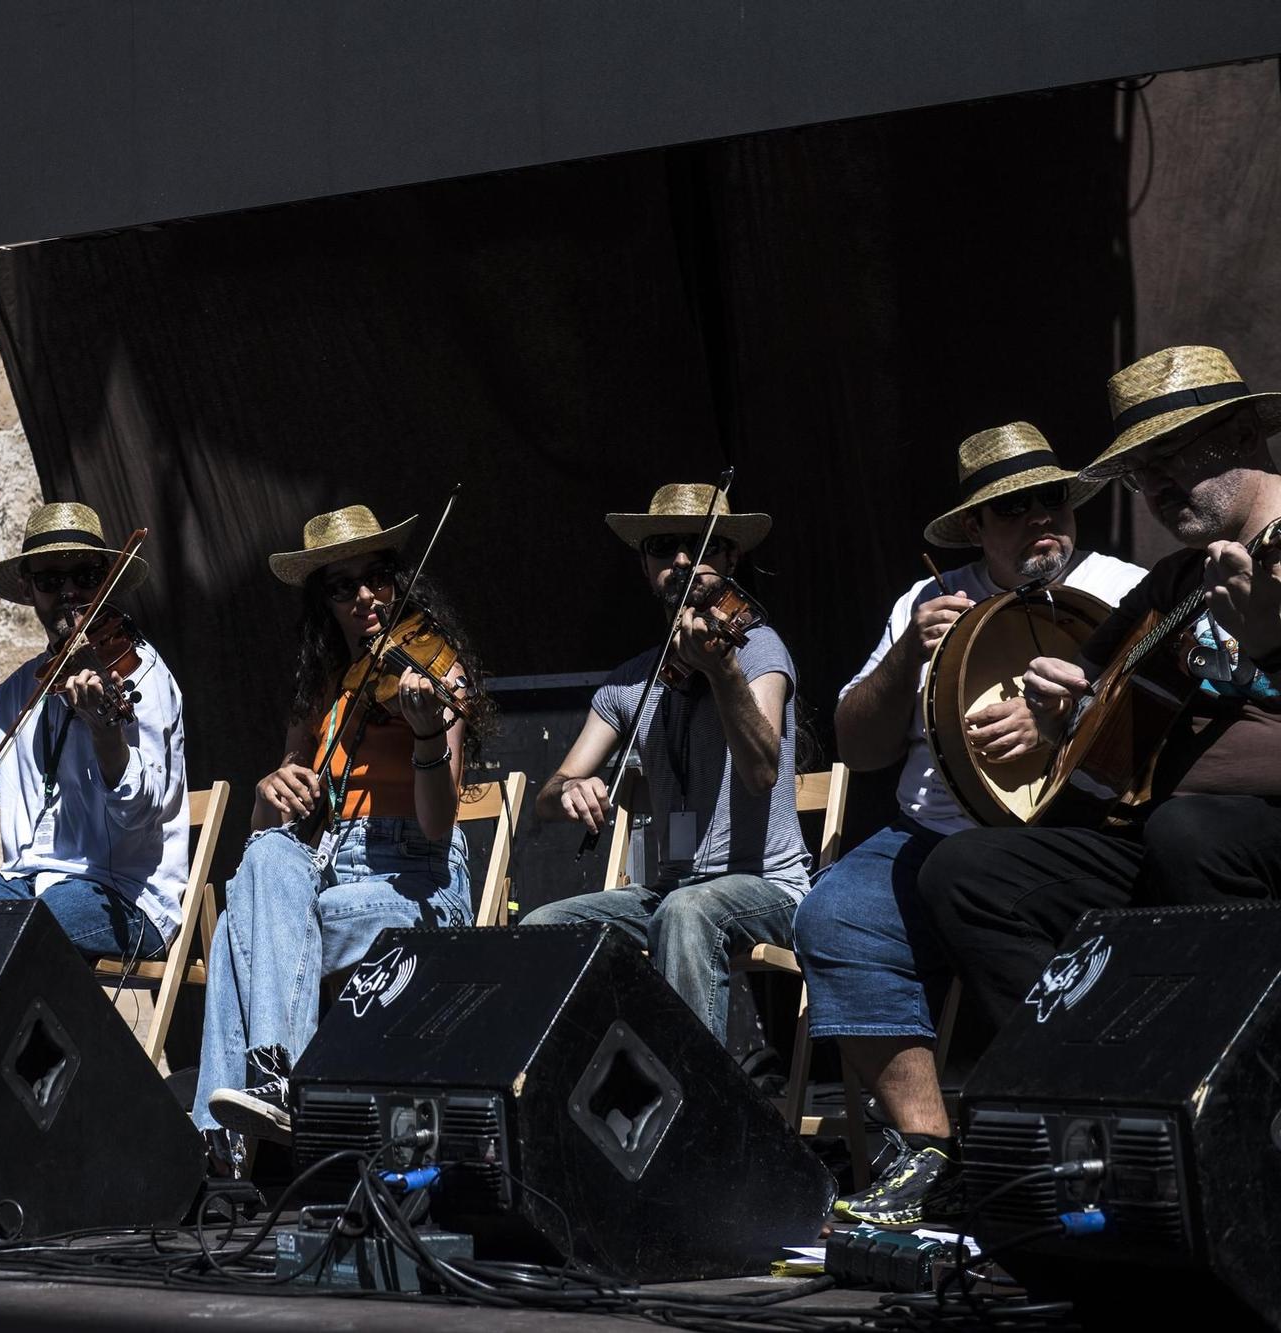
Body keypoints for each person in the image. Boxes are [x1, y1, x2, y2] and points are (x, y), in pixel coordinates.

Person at [792, 423, 1144, 1227]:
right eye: (1011, 508)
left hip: (1075, 833)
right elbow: (858, 743)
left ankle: (1077, 1138)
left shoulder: (1124, 587)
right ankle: (928, 1153)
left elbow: (1167, 726)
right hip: (931, 837)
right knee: (836, 911)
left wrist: (1069, 723)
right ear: (975, 528)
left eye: (1049, 500)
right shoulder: (925, 599)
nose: (1038, 519)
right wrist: (902, 661)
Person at [923, 346, 1281, 1099]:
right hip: (1157, 831)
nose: (1152, 484)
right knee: (967, 872)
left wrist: (1271, 637)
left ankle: (1230, 1103)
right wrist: (1061, 716)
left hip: (1243, 840)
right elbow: (1086, 690)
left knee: (1192, 834)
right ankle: (1097, 1096)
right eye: (1137, 470)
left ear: (1245, 436)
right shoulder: (1174, 581)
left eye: (1169, 456)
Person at [195, 504, 490, 1157]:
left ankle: (232, 1131)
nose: (364, 596)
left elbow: (439, 820)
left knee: (242, 930)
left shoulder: (436, 670)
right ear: (322, 602)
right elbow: (276, 824)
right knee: (265, 856)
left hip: (414, 876)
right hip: (323, 862)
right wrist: (269, 794)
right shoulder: (322, 687)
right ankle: (273, 1091)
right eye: (342, 586)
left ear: (398, 580)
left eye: (377, 577)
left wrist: (425, 736)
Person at [526, 484, 810, 1045]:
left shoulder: (757, 650)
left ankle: (697, 1115)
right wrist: (570, 791)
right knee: (543, 928)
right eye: (663, 546)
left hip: (767, 884)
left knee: (686, 912)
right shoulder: (629, 681)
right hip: (675, 890)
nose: (681, 560)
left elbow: (762, 771)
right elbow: (548, 793)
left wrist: (722, 670)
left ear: (731, 558)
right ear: (645, 564)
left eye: (698, 546)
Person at [0, 502, 187, 963]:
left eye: (88, 578)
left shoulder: (143, 676)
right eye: (52, 581)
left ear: (106, 580)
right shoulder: (18, 690)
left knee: (2, 934)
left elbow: (143, 812)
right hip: (22, 886)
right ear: (28, 588)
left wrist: (107, 738)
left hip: (124, 895)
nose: (71, 593)